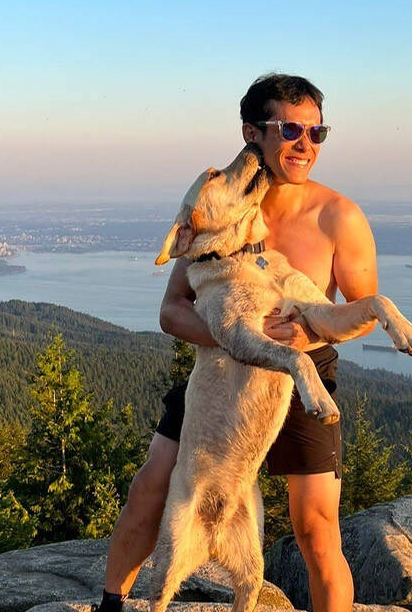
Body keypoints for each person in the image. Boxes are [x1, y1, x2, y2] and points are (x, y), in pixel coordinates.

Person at [99, 73, 379, 612]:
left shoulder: (337, 216)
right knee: (151, 486)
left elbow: (360, 314)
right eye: (291, 129)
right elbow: (171, 311)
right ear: (252, 133)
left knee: (316, 527)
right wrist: (232, 341)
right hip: (219, 379)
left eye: (317, 134)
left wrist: (303, 331)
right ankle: (111, 604)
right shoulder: (221, 208)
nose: (305, 145)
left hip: (302, 378)